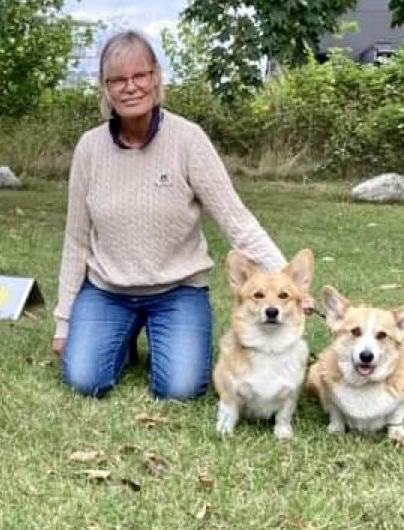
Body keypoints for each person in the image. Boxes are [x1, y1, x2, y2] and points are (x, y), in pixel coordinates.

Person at [52, 30, 293, 400]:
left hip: (178, 291)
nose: (129, 87)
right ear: (105, 88)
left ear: (156, 77)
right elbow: (76, 238)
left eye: (139, 76)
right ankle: (122, 335)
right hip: (107, 291)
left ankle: (149, 330)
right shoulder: (89, 147)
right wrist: (64, 321)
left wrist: (288, 282)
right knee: (85, 380)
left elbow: (237, 222)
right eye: (117, 79)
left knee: (181, 389)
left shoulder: (188, 139)